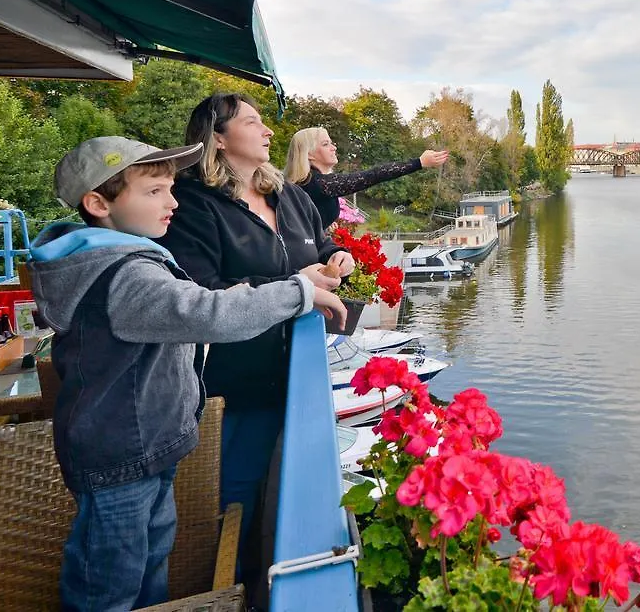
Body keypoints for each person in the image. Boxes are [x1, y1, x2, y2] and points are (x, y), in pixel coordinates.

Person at [30, 136, 346, 611]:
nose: (172, 201)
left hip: (146, 447)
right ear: (98, 203)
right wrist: (298, 291)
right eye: (154, 191)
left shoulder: (126, 256)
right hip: (122, 455)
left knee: (151, 566)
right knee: (109, 586)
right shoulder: (123, 274)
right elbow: (207, 312)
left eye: (170, 188)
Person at [153, 93, 355, 582]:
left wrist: (339, 255)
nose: (267, 132)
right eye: (253, 122)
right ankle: (233, 586)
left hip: (300, 373)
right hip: (236, 384)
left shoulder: (289, 193)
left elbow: (319, 241)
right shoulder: (193, 205)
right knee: (236, 498)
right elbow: (199, 295)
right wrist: (294, 287)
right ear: (218, 138)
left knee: (287, 488)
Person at [283, 126, 449, 230]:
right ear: (309, 154)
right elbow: (373, 175)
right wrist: (418, 162)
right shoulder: (317, 184)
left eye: (331, 143)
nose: (334, 147)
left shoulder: (309, 182)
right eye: (325, 144)